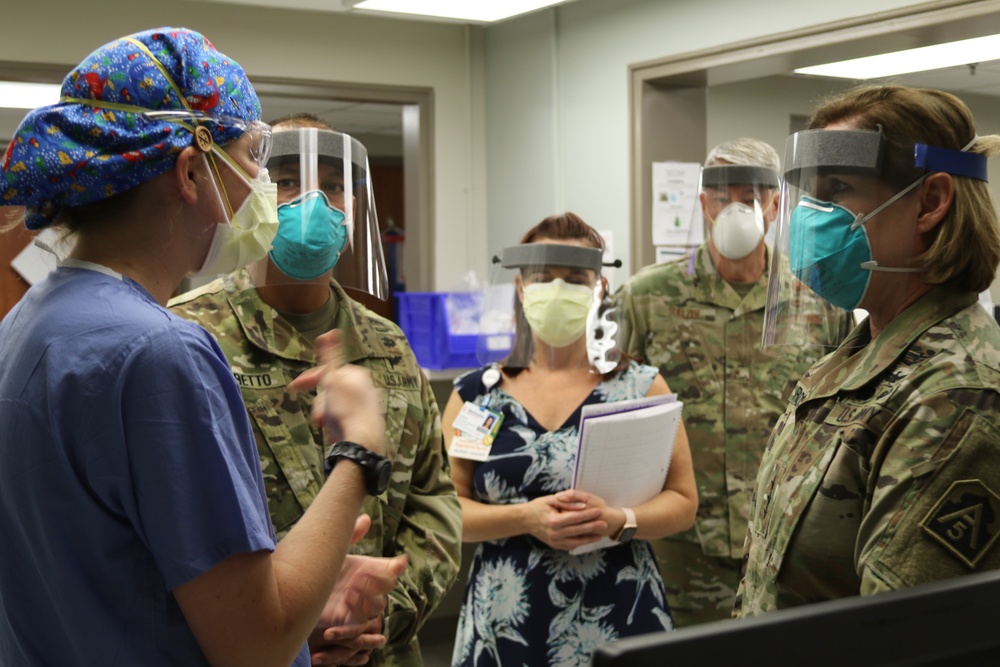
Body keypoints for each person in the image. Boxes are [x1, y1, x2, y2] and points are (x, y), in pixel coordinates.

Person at [0, 28, 403, 666]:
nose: (264, 191)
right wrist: (356, 454)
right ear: (191, 171)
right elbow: (256, 644)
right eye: (254, 160)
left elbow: (111, 566)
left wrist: (308, 572)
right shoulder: (159, 352)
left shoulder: (29, 319)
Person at [169, 112, 462, 665]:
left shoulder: (387, 346)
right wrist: (288, 625)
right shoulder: (187, 335)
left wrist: (382, 611)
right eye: (287, 182)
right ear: (250, 192)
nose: (314, 202)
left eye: (332, 186)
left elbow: (433, 500)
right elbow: (174, 527)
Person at [735, 85, 1000, 616]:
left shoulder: (956, 396)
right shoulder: (854, 358)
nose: (809, 217)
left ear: (931, 202)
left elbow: (895, 637)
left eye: (835, 190)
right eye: (807, 194)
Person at [613, 138, 852, 626]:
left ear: (774, 204)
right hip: (678, 546)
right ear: (704, 204)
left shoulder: (819, 302)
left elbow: (842, 420)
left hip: (783, 543)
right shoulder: (647, 296)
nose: (734, 209)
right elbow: (617, 411)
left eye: (749, 197)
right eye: (722, 197)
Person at [445, 212, 698, 667]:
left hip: (619, 612)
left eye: (576, 278)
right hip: (505, 623)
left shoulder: (640, 388)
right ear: (521, 287)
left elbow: (683, 501)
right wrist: (526, 518)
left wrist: (618, 519)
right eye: (543, 277)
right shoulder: (476, 397)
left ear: (600, 288)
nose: (558, 290)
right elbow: (449, 508)